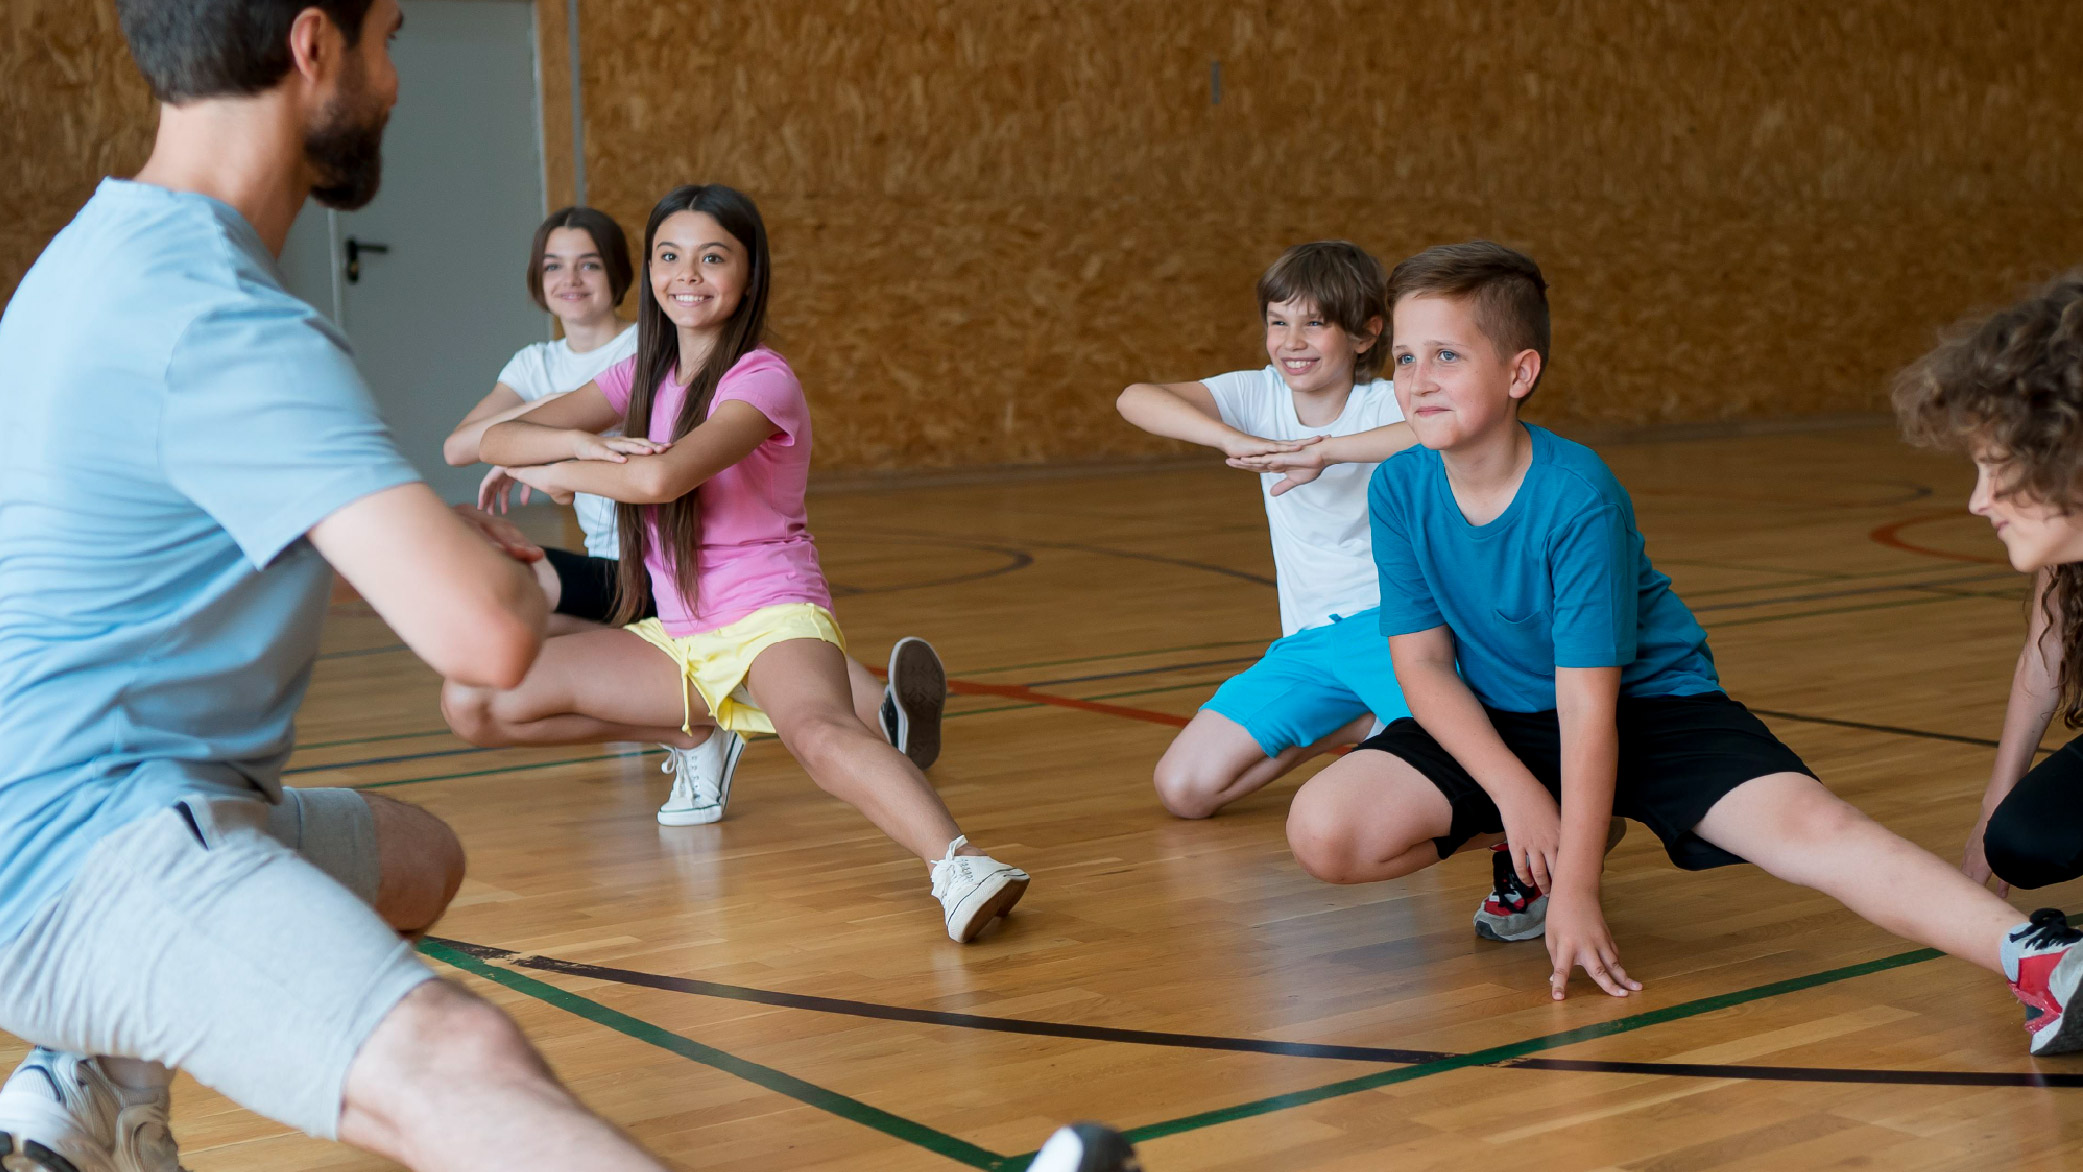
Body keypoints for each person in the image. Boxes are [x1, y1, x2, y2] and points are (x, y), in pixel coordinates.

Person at [0, 2, 693, 1170]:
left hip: (107, 784)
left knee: (419, 860)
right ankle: (93, 1042)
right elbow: (484, 638)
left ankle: (86, 1082)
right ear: (312, 46)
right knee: (459, 1059)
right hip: (85, 851)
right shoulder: (226, 321)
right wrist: (511, 578)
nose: (394, 83)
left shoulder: (92, 255)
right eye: (389, 41)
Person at [1281, 241, 2083, 1057]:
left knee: (1814, 831)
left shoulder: (1576, 496)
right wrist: (1519, 798)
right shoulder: (1398, 487)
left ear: (1518, 373)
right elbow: (1420, 666)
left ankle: (2041, 960)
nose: (1416, 379)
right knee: (1326, 829)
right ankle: (1532, 849)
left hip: (1650, 710)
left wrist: (1582, 890)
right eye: (1406, 357)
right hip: (1501, 716)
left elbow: (1588, 711)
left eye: (1446, 356)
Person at [442, 183, 1029, 942]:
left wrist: (561, 466)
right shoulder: (636, 377)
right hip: (679, 637)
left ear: (748, 276)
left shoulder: (761, 379)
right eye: (669, 255)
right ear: (649, 271)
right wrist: (584, 443)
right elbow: (493, 440)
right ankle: (691, 732)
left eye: (712, 257)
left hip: (770, 611)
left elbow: (659, 478)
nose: (687, 274)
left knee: (818, 732)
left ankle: (959, 866)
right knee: (475, 702)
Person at [1115, 241, 1416, 821]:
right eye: (1278, 322)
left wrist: (1326, 452)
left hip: (1392, 634)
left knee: (1453, 772)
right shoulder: (1258, 394)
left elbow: (1436, 429)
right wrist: (1228, 437)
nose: (1292, 341)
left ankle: (1378, 717)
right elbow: (1134, 398)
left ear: (1364, 333)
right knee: (1185, 790)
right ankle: (1357, 719)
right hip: (1307, 644)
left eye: (1314, 324)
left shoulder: (1383, 403)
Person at [1897, 271, 2083, 900]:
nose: (1978, 502)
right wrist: (1990, 810)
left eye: (1998, 468)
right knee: (2020, 838)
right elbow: (2045, 653)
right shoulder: (2071, 559)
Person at [445, 205, 643, 631]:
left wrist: (530, 451)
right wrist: (546, 406)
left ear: (618, 273)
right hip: (607, 560)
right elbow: (458, 448)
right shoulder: (535, 365)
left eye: (588, 265)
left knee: (514, 625)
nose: (570, 279)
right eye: (554, 266)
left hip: (658, 567)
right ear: (539, 278)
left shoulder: (643, 346)